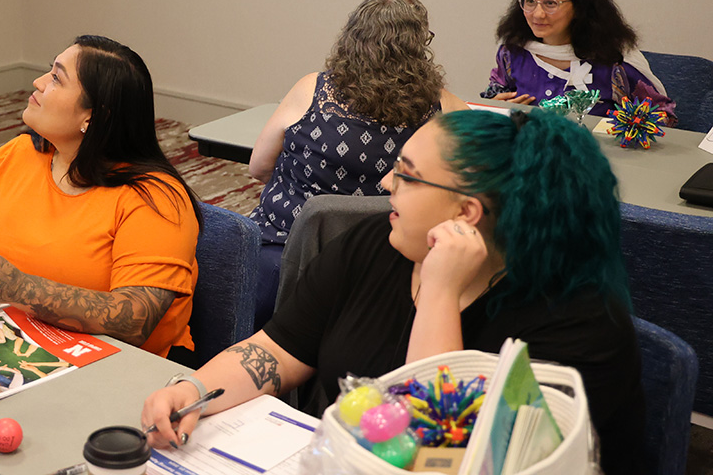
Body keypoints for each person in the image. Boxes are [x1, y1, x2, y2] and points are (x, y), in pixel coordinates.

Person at [142, 109, 644, 474]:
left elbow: (435, 458)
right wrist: (192, 393)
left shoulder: (577, 321)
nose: (386, 182)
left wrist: (441, 290)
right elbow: (276, 348)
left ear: (465, 213)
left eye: (407, 174)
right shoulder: (374, 244)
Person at [0, 35, 202, 358]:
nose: (37, 83)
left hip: (117, 367)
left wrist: (18, 288)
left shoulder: (156, 199)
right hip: (13, 341)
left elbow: (135, 319)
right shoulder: (18, 153)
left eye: (56, 78)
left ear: (92, 116)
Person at [248, 0, 467, 328]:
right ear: (419, 47)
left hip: (282, 249)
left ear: (350, 39)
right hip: (388, 258)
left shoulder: (311, 89)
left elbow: (258, 168)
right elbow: (467, 183)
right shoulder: (445, 107)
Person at [482, 0, 675, 124]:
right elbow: (493, 96)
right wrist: (497, 108)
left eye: (550, 3)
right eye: (530, 2)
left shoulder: (614, 61)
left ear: (580, 8)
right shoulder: (513, 52)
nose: (537, 14)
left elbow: (663, 116)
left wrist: (626, 126)